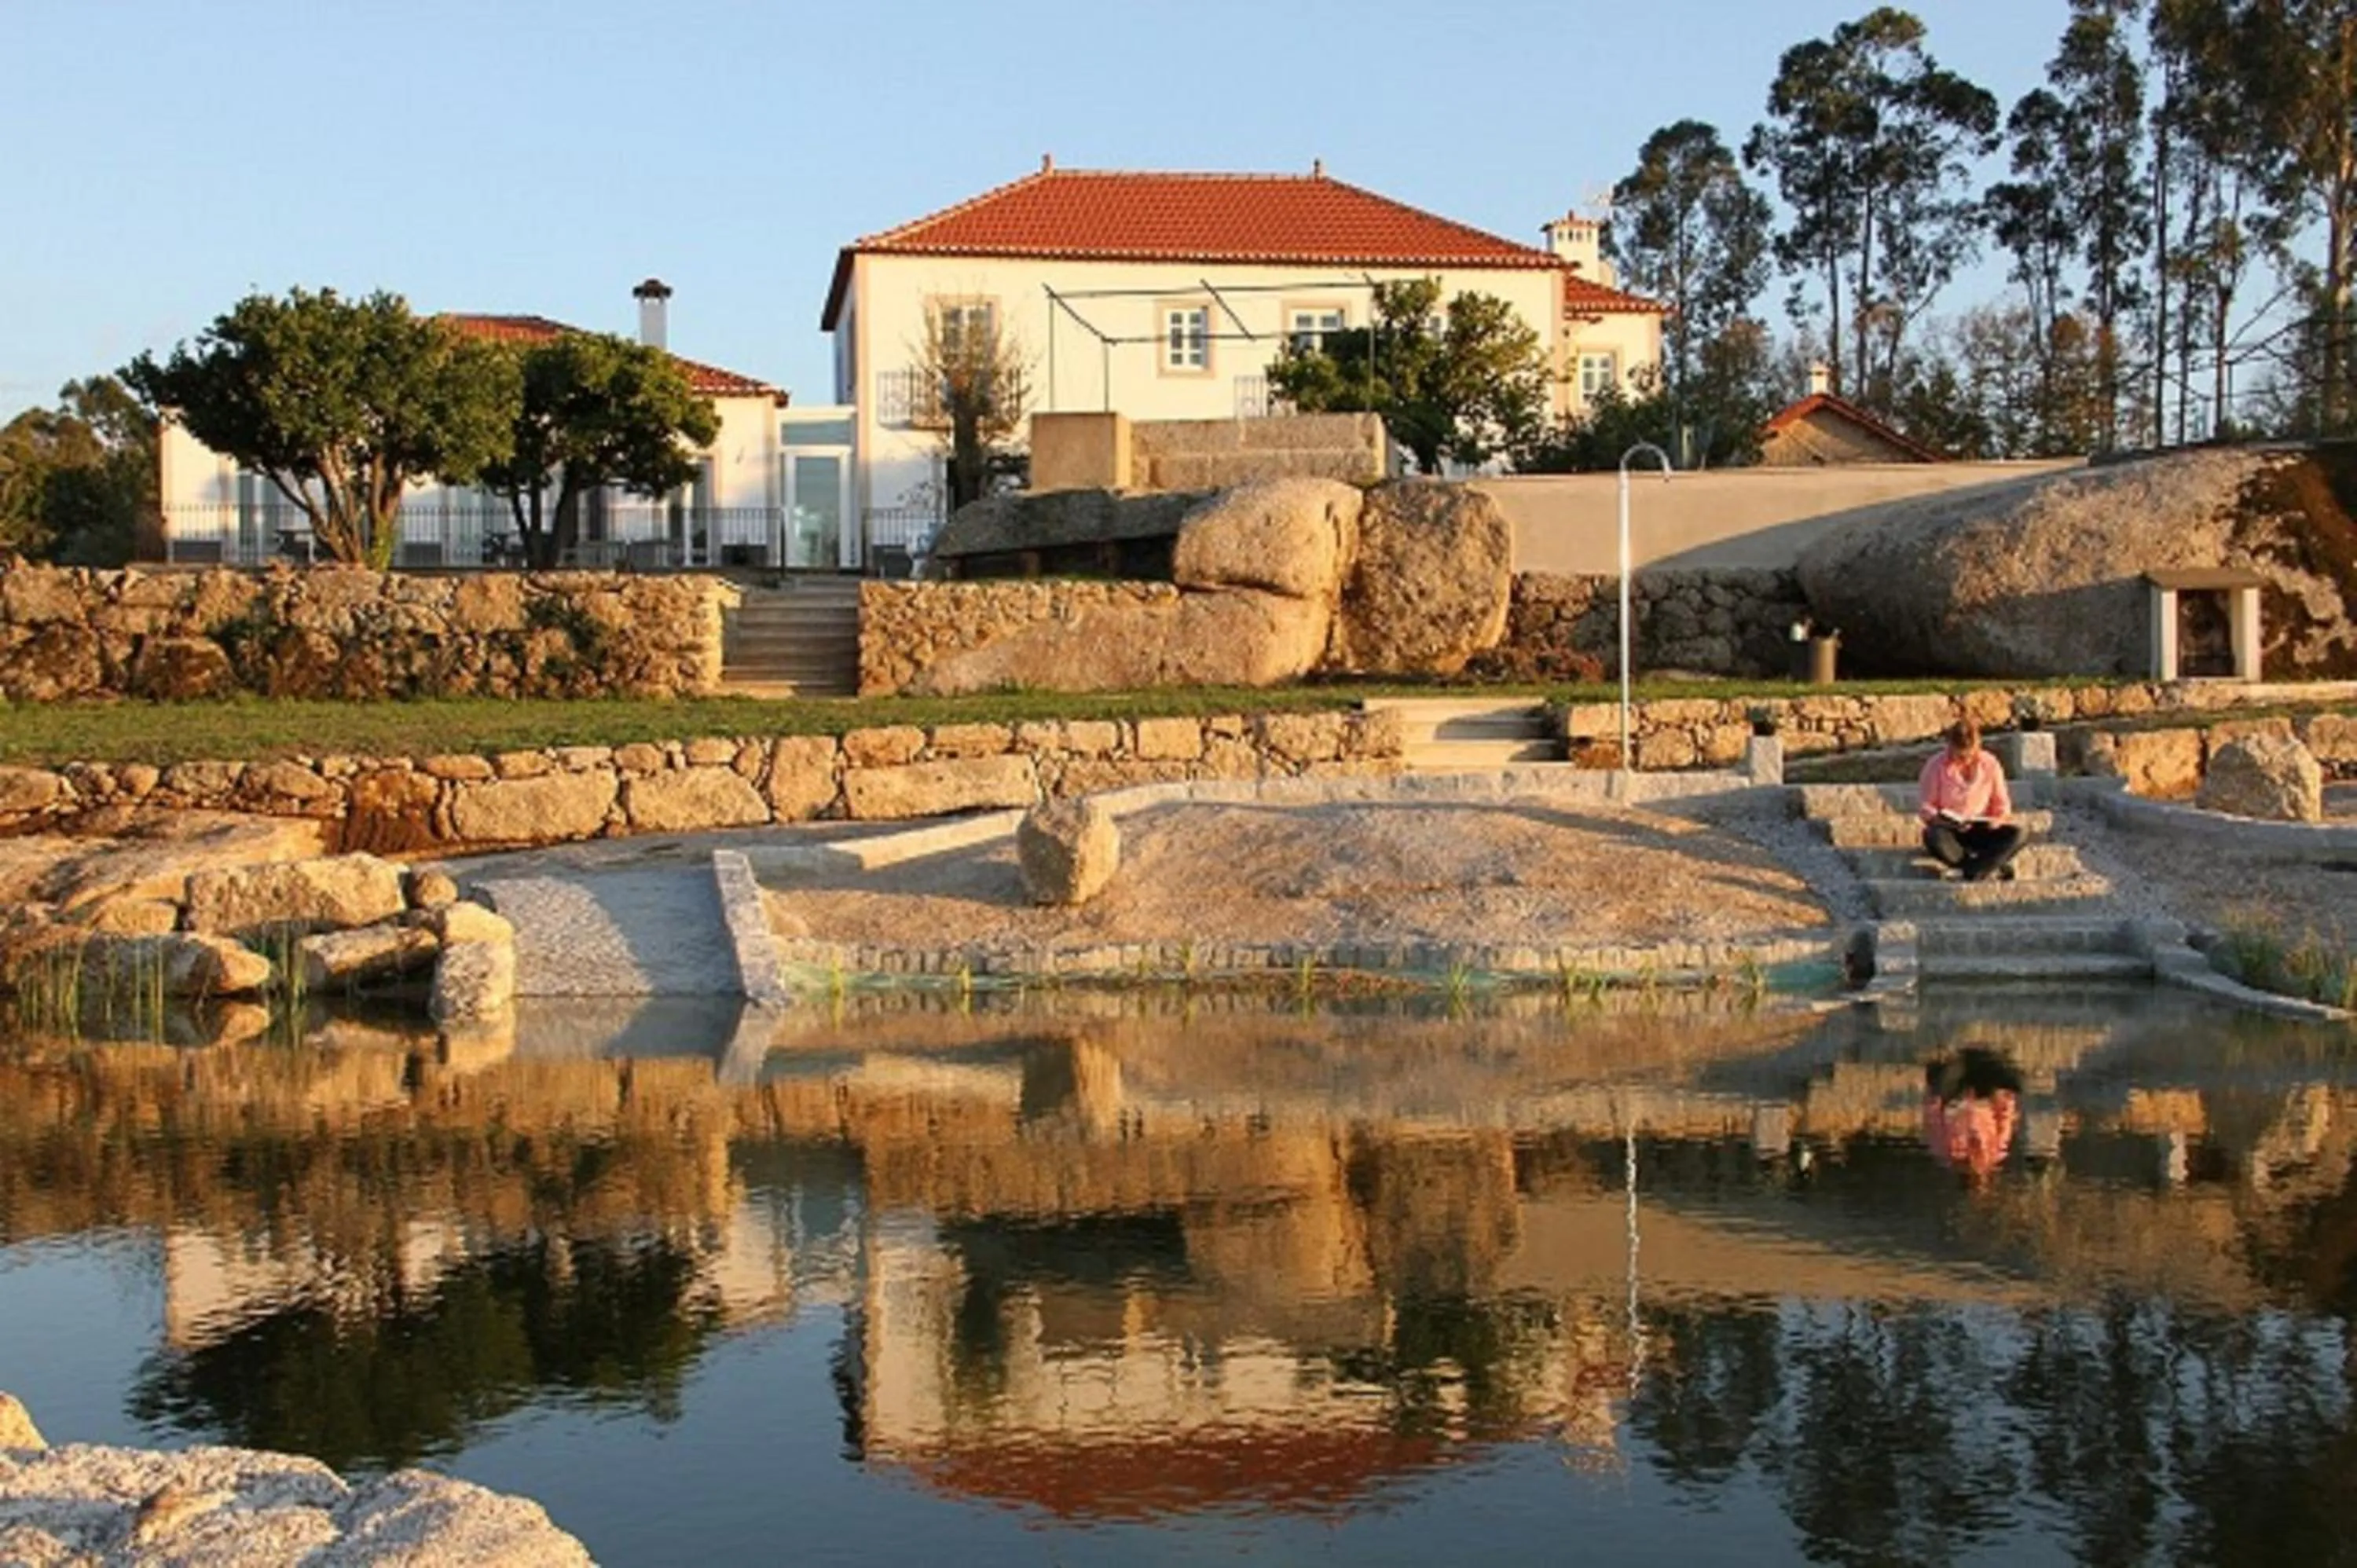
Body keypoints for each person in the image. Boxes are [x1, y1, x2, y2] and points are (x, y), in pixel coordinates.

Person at [1916, 717, 2025, 882]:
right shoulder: (1935, 766)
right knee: (1932, 836)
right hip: (1951, 831)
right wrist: (1942, 819)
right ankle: (1987, 866)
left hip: (1982, 829)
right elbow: (1926, 807)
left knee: (2018, 834)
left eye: (1970, 755)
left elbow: (2002, 804)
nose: (1966, 760)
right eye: (1960, 757)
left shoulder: (1990, 764)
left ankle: (1972, 870)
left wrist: (1997, 820)